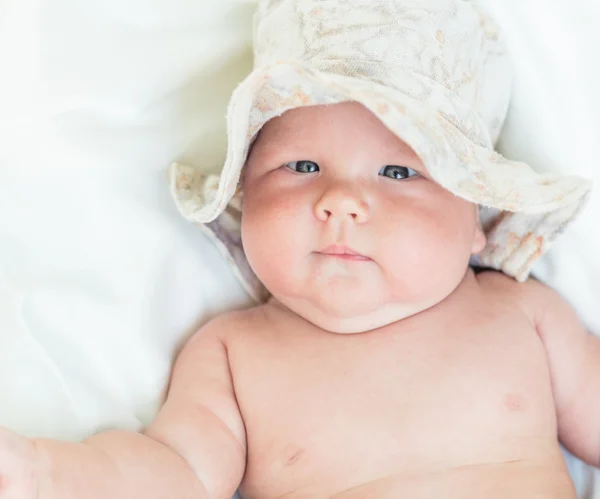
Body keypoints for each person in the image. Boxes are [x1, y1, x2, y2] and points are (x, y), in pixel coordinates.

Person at [0, 0, 595, 498]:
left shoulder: (523, 315)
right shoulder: (234, 354)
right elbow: (175, 473)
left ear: (477, 218)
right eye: (302, 165)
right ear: (245, 195)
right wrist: (44, 472)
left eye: (397, 172)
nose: (342, 201)